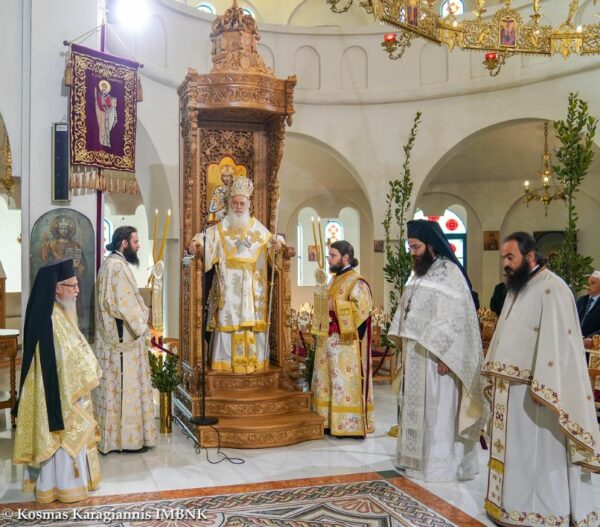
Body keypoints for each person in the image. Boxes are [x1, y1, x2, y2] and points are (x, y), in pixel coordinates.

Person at [482, 232, 599, 526]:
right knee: (516, 457)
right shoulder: (516, 288)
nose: (505, 263)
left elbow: (560, 344)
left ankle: (541, 513)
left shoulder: (553, 288)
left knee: (538, 456)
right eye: (503, 258)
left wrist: (545, 384)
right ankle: (507, 506)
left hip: (538, 392)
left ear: (531, 255)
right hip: (509, 390)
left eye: (510, 257)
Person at [388, 219, 486, 482]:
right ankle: (412, 459)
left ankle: (440, 465)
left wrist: (445, 354)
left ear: (431, 245)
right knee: (417, 410)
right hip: (415, 355)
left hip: (437, 357)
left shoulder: (449, 272)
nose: (413, 253)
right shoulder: (419, 273)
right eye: (410, 247)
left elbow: (454, 316)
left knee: (438, 410)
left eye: (416, 247)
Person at [12, 259, 102, 503]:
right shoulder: (50, 319)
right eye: (72, 285)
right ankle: (62, 486)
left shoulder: (59, 313)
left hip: (65, 390)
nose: (77, 290)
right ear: (57, 288)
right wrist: (88, 371)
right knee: (61, 439)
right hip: (59, 396)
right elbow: (65, 360)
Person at [188, 176, 282, 373]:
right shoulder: (221, 228)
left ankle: (256, 362)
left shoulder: (257, 228)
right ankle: (225, 363)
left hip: (252, 290)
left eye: (242, 203)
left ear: (248, 205)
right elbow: (204, 239)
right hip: (229, 287)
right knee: (228, 320)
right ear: (230, 204)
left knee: (251, 322)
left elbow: (273, 244)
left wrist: (277, 246)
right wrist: (195, 243)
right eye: (235, 203)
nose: (238, 207)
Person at [93, 226, 157, 454]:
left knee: (113, 386)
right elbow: (124, 304)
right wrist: (143, 322)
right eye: (135, 241)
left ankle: (113, 439)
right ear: (124, 243)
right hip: (124, 341)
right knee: (124, 386)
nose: (138, 246)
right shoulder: (117, 268)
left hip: (113, 339)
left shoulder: (108, 264)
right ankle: (126, 441)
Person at [311, 240, 374, 437]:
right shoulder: (333, 280)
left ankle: (348, 425)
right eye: (329, 255)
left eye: (333, 255)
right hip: (328, 341)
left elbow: (362, 310)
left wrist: (335, 306)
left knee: (342, 383)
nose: (329, 259)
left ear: (346, 257)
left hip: (345, 346)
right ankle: (327, 421)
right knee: (327, 382)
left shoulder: (357, 282)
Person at [577, 271, 600, 354]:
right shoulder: (581, 300)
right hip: (577, 346)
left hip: (594, 349)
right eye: (588, 283)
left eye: (593, 283)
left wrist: (591, 337)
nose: (588, 286)